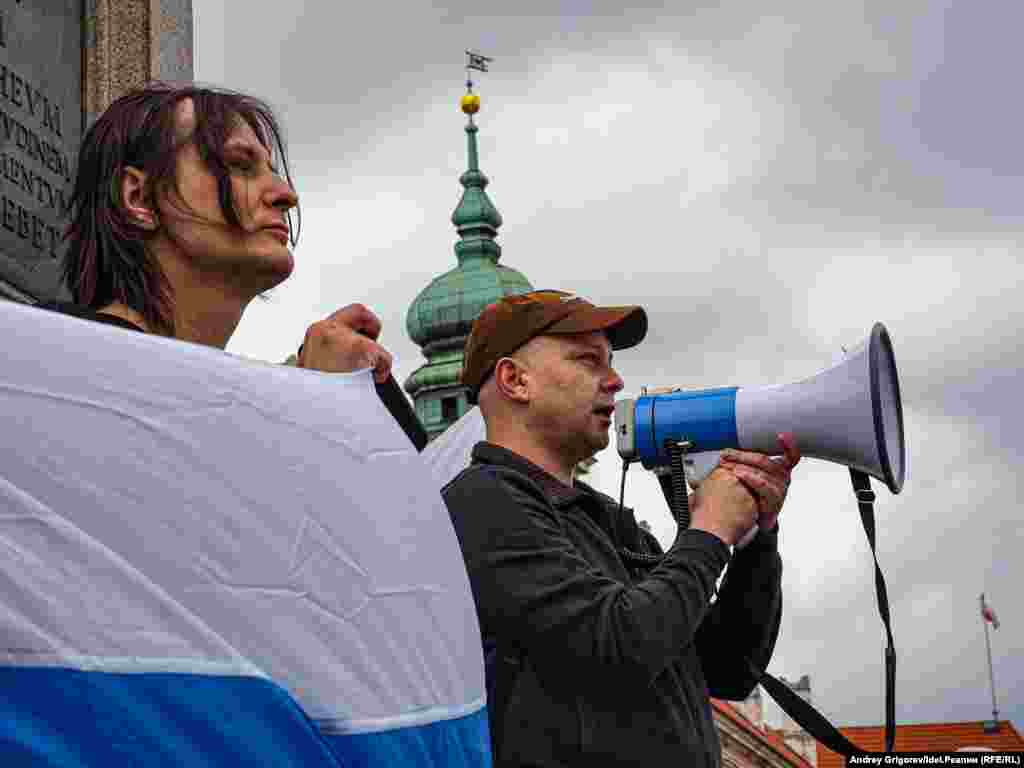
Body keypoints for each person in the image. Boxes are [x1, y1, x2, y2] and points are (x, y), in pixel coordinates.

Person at [442, 289, 801, 768]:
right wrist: (710, 530)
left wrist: (755, 539)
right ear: (515, 380)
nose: (615, 381)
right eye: (588, 360)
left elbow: (727, 669)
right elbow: (617, 646)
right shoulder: (484, 501)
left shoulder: (607, 520)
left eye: (609, 363)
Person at [42, 82, 424, 446]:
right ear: (139, 198)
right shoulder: (49, 366)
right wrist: (314, 408)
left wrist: (326, 401)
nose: (285, 194)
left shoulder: (231, 407)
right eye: (240, 166)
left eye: (272, 171)